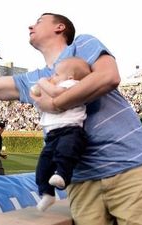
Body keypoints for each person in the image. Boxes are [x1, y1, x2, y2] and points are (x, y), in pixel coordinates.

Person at [0, 13, 142, 225]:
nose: (30, 25)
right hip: (80, 180)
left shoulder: (82, 45)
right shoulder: (33, 79)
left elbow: (108, 77)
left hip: (129, 167)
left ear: (60, 27)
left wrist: (55, 103)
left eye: (38, 21)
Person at [31, 57, 91, 211]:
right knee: (43, 165)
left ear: (70, 77)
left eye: (57, 74)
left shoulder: (73, 85)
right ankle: (47, 193)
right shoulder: (61, 84)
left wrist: (43, 82)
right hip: (53, 134)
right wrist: (38, 91)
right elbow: (43, 100)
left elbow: (56, 92)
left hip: (70, 130)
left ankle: (63, 175)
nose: (53, 77)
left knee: (65, 153)